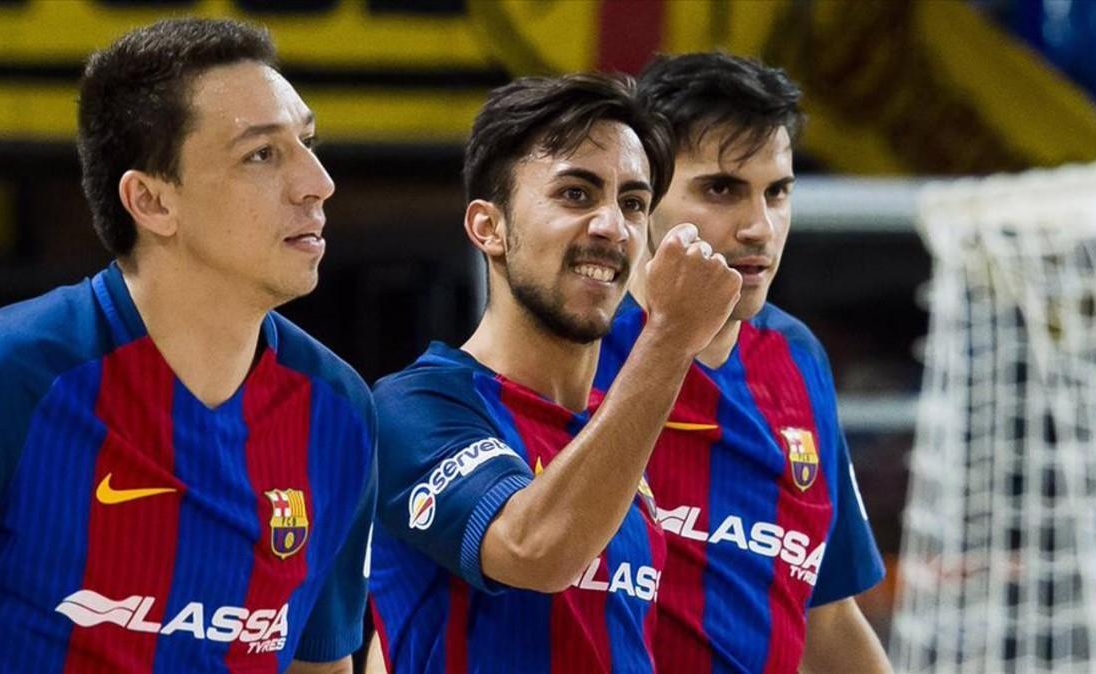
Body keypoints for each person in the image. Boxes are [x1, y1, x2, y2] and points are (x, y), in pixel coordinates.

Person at [0, 18, 375, 673]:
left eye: (307, 143)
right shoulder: (10, 380)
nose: (318, 182)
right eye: (262, 154)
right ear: (152, 201)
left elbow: (321, 665)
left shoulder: (337, 412)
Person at [365, 73, 741, 673]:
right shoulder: (415, 406)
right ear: (489, 227)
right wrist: (671, 337)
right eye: (575, 194)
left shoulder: (615, 438)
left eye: (634, 204)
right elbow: (536, 550)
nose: (613, 226)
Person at [594, 53, 891, 673]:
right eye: (722, 189)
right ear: (641, 199)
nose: (759, 227)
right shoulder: (579, 350)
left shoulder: (798, 357)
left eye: (777, 192)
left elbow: (828, 615)